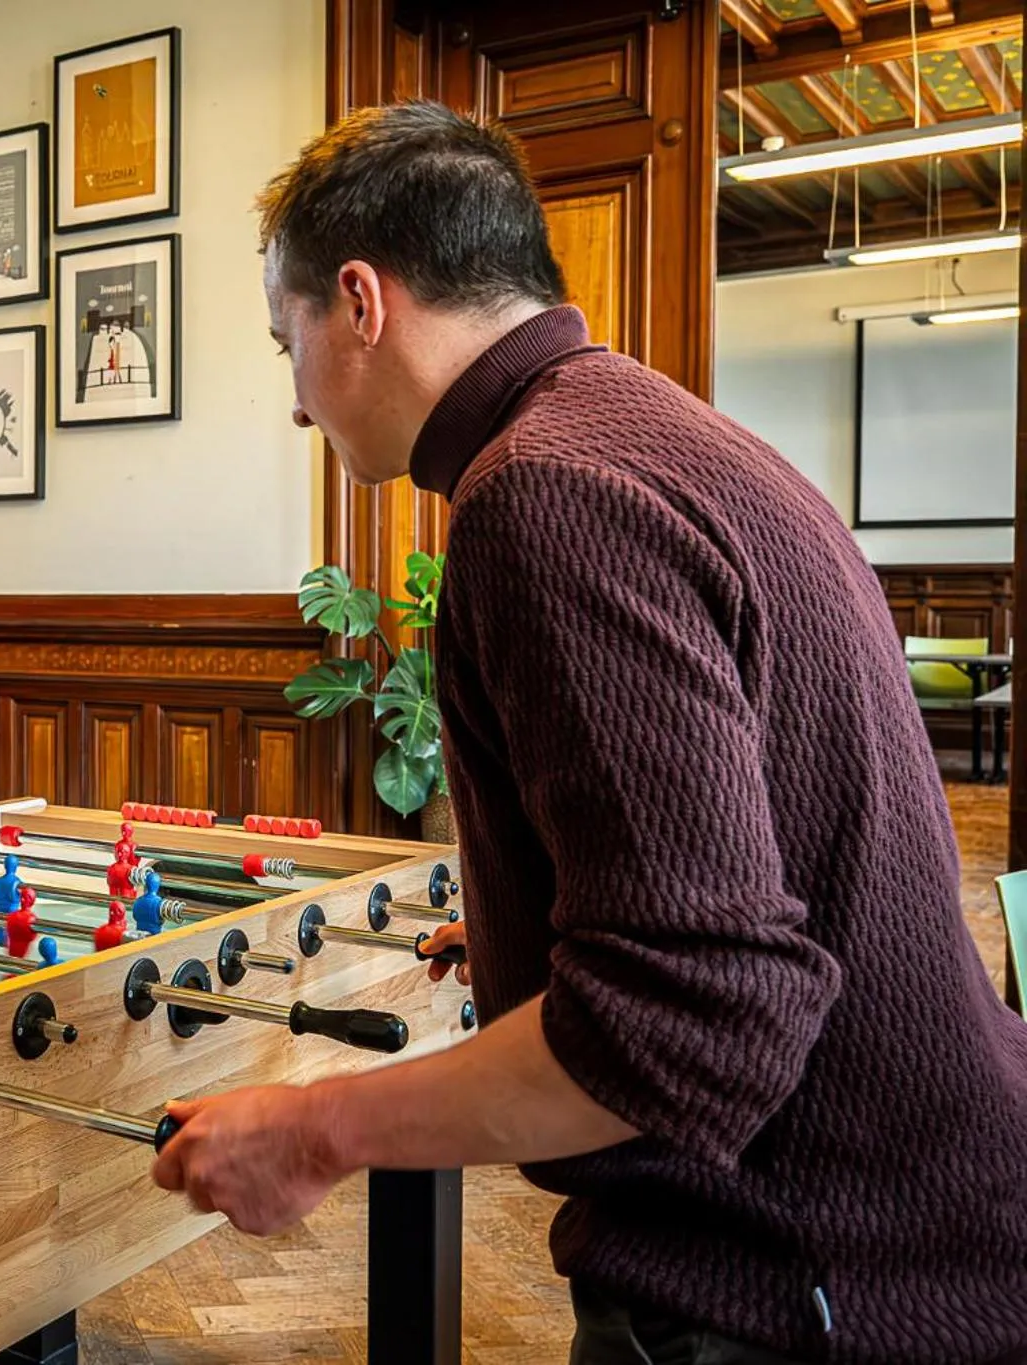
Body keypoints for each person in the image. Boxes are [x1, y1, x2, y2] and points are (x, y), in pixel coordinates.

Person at [149, 102, 1027, 1365]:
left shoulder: (543, 495)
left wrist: (312, 1131)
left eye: (281, 340)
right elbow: (746, 841)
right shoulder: (653, 431)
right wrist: (529, 918)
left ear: (357, 303)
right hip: (912, 1221)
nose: (293, 404)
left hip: (799, 1281)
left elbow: (689, 1020)